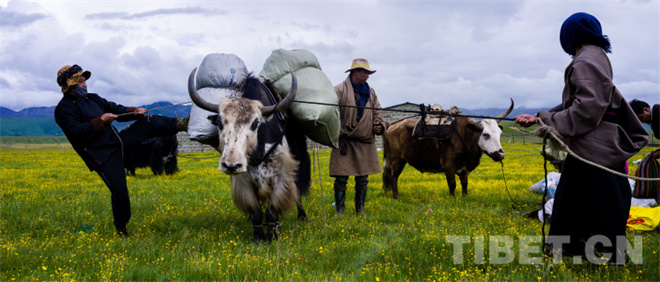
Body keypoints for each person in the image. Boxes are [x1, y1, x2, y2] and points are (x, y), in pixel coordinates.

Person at [514, 13, 648, 265]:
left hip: (592, 148)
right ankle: (573, 250)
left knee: (594, 201)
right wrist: (541, 115)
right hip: (599, 146)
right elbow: (578, 102)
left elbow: (587, 109)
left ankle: (608, 256)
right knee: (581, 198)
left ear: (569, 35)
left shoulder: (584, 61)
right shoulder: (596, 57)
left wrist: (547, 119)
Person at [54, 64, 188, 237]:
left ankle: (184, 124)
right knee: (120, 193)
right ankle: (121, 229)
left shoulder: (93, 98)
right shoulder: (63, 109)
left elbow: (116, 108)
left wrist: (134, 112)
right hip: (102, 156)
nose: (84, 84)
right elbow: (76, 132)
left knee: (149, 121)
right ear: (68, 84)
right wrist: (101, 120)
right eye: (80, 81)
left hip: (119, 142)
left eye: (84, 80)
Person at [329, 58, 389, 216]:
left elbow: (378, 112)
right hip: (345, 141)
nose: (368, 75)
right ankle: (339, 211)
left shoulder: (371, 93)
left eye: (369, 72)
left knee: (363, 179)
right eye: (365, 72)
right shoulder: (339, 90)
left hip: (365, 141)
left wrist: (379, 125)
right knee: (341, 179)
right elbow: (330, 114)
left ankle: (360, 209)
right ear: (355, 72)